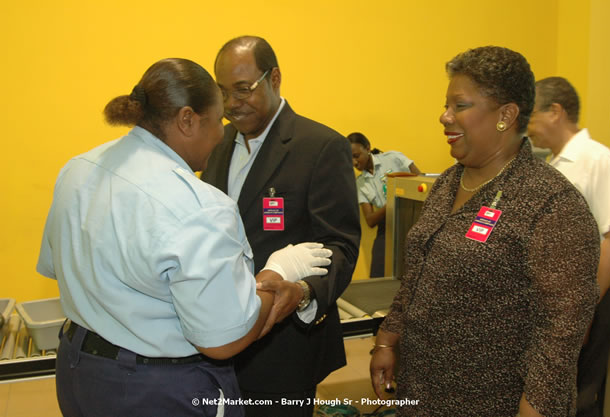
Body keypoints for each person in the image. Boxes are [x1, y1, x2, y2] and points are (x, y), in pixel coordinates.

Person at [36, 58, 334, 417]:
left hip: (80, 370)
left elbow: (61, 266)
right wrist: (279, 272)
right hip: (155, 390)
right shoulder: (199, 205)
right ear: (188, 120)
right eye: (219, 120)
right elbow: (225, 340)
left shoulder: (80, 168)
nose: (224, 134)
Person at [369, 46, 600, 417]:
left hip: (490, 400)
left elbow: (561, 329)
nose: (444, 116)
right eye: (446, 105)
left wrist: (536, 407)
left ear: (505, 115)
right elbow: (418, 274)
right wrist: (386, 338)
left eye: (460, 106)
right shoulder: (447, 183)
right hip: (421, 388)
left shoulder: (551, 203)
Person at [200, 36, 361, 417]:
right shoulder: (218, 145)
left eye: (243, 90)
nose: (230, 105)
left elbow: (340, 244)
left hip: (282, 347)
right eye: (223, 92)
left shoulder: (319, 146)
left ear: (275, 79)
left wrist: (303, 291)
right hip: (220, 340)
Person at [527, 76, 610, 417]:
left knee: (581, 396)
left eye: (531, 116)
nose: (527, 129)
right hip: (561, 301)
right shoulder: (556, 165)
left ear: (555, 112)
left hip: (588, 299)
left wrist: (584, 309)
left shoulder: (597, 161)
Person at [348, 132, 420, 277]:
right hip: (386, 226)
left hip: (413, 218)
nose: (354, 163)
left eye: (356, 156)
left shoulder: (393, 158)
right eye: (350, 159)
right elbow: (370, 220)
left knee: (413, 270)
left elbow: (421, 180)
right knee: (378, 273)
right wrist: (393, 202)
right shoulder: (360, 183)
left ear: (367, 148)